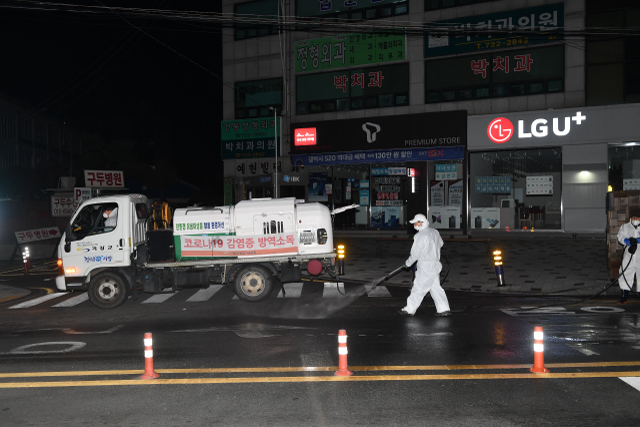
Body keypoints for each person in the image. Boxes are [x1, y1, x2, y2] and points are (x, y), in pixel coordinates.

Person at [398, 213, 451, 317]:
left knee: (418, 288)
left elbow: (415, 254)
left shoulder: (420, 236)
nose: (414, 225)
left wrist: (407, 264)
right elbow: (441, 243)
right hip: (435, 265)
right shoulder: (435, 231)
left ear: (421, 223)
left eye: (415, 223)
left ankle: (409, 310)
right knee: (435, 287)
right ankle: (444, 309)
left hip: (426, 267)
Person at [617, 207, 640, 304]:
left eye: (637, 218)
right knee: (625, 272)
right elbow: (620, 236)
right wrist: (626, 241)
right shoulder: (625, 227)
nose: (635, 219)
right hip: (629, 254)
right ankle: (624, 296)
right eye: (634, 217)